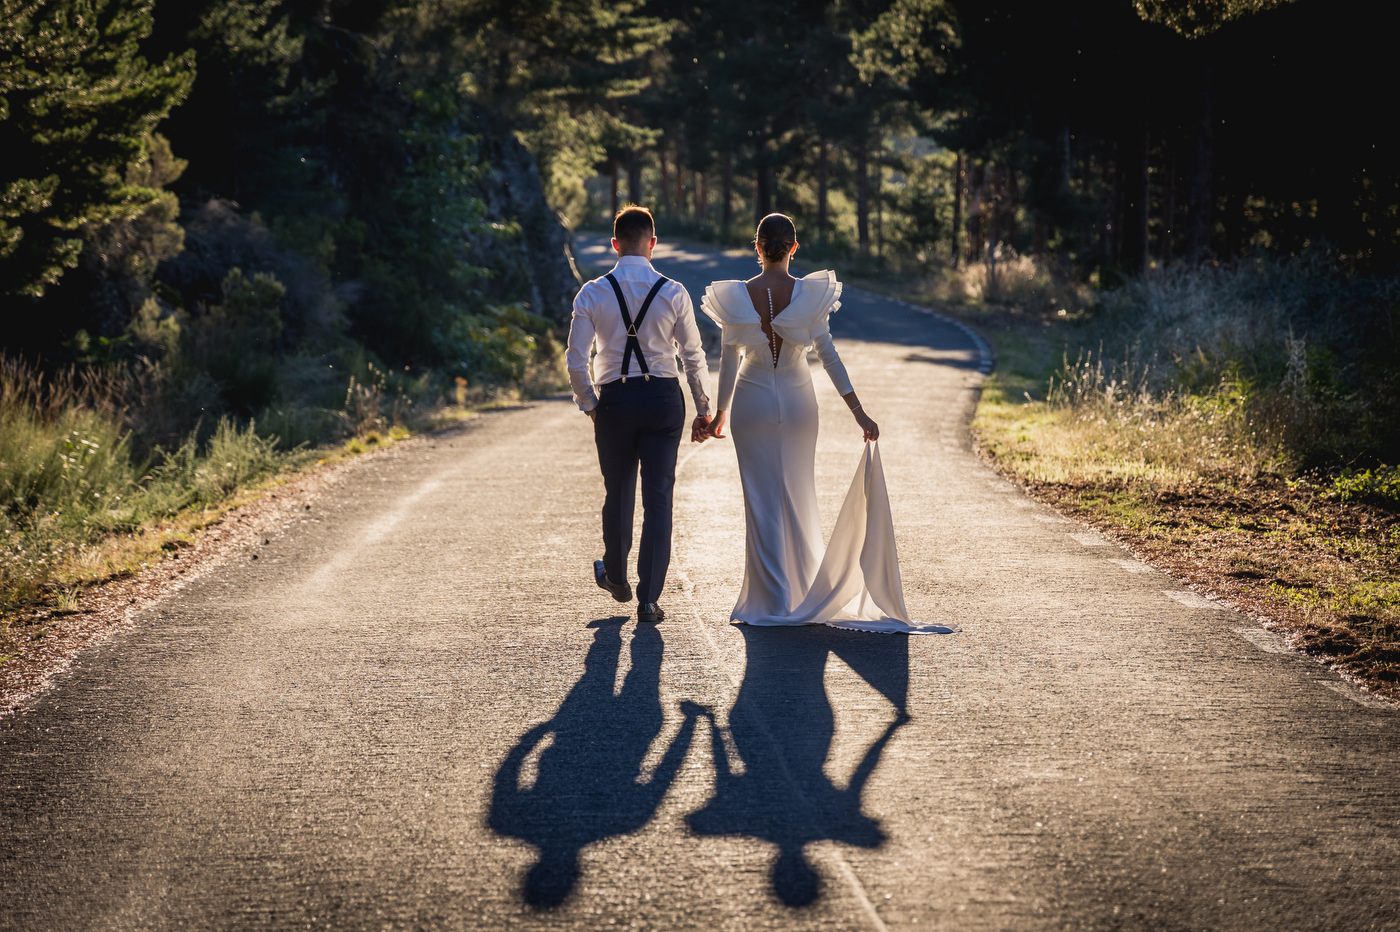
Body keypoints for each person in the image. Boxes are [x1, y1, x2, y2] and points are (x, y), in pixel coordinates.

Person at [701, 213, 954, 634]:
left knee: (761, 500)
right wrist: (859, 412)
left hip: (752, 401)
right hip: (799, 403)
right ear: (793, 248)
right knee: (799, 495)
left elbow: (728, 361)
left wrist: (720, 414)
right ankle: (801, 596)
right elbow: (829, 357)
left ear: (757, 247)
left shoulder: (737, 298)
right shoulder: (808, 296)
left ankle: (771, 600)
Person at [567, 206, 713, 624]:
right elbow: (693, 356)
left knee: (618, 492)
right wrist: (703, 409)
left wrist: (590, 404)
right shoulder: (673, 291)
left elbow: (577, 359)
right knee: (659, 497)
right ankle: (649, 599)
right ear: (653, 242)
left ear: (614, 244)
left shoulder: (592, 293)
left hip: (614, 400)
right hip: (664, 400)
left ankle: (614, 575)